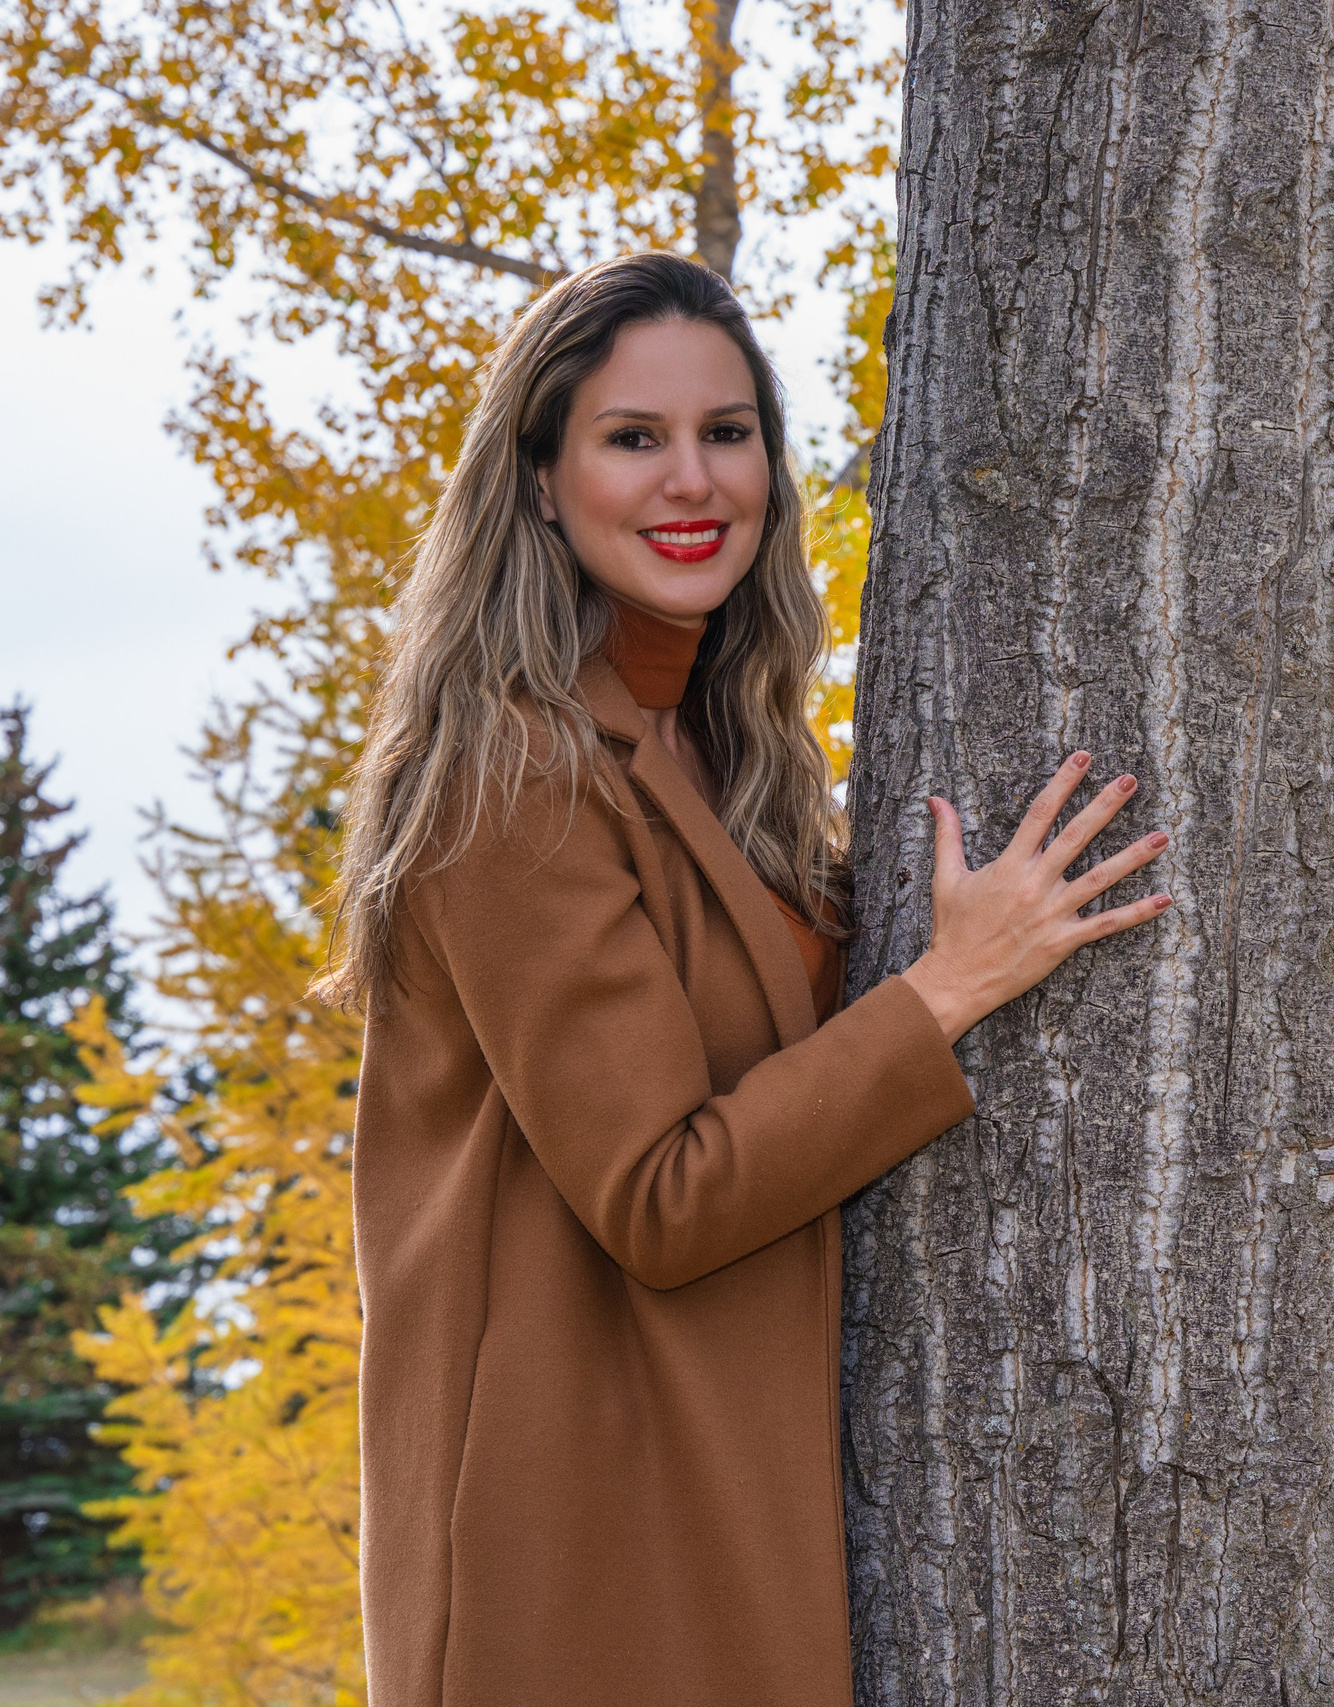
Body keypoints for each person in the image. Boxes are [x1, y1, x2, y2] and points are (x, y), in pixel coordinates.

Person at [319, 252, 1171, 1707]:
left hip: (723, 1489)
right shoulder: (508, 774)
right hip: (578, 1547)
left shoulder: (725, 756)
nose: (691, 480)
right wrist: (951, 989)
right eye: (632, 438)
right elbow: (663, 1195)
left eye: (728, 433)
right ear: (537, 479)